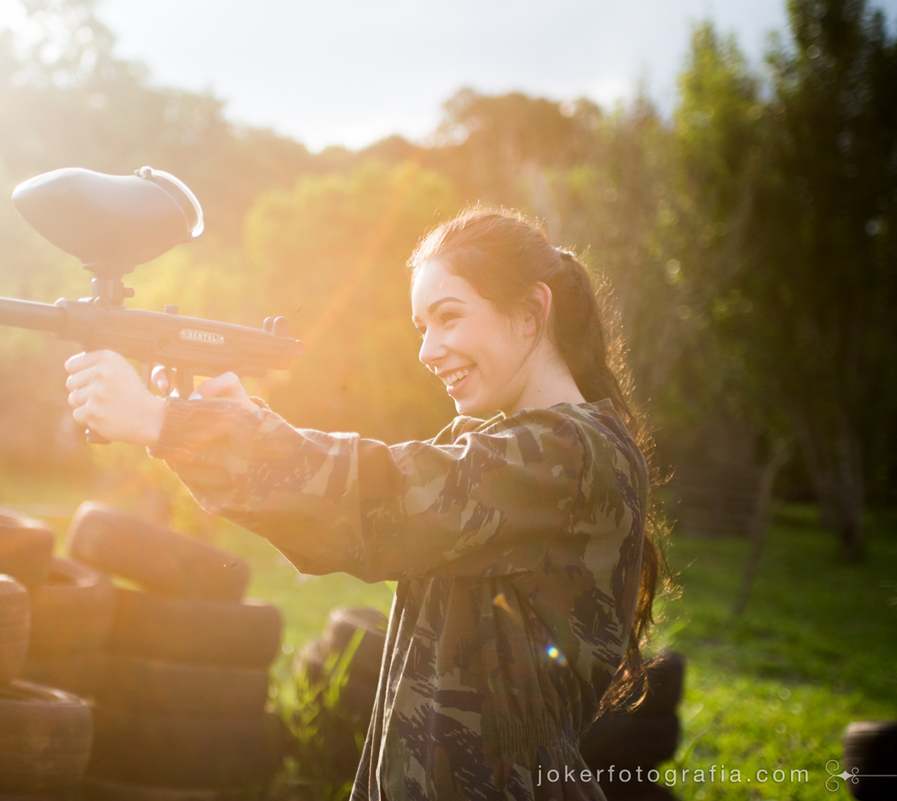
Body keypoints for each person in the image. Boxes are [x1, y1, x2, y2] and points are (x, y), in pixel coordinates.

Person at [65, 207, 661, 801]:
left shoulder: (572, 455)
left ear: (531, 313)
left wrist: (165, 421)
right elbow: (361, 499)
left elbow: (379, 499)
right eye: (421, 327)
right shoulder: (517, 449)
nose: (428, 350)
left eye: (449, 318)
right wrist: (237, 420)